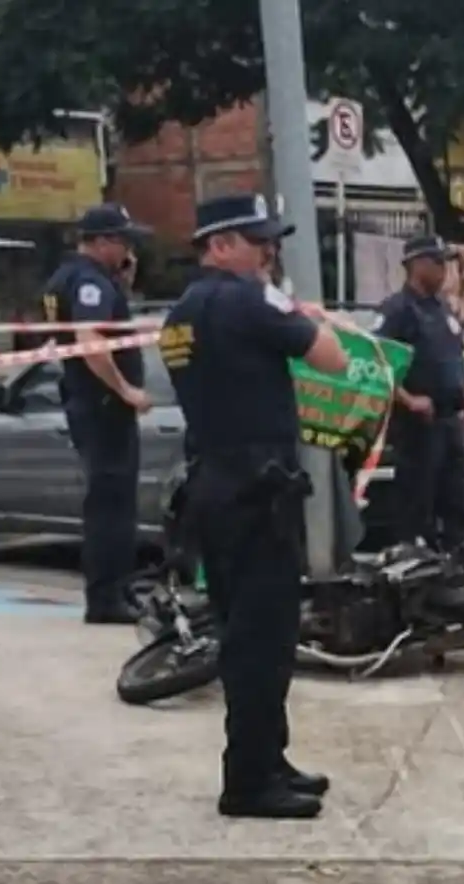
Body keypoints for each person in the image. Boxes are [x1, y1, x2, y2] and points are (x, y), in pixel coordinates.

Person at [161, 192, 349, 819]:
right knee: (262, 638)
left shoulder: (182, 312)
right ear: (219, 245)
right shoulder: (248, 298)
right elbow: (333, 357)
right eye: (256, 239)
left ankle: (267, 758)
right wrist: (307, 315)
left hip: (215, 483)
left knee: (250, 629)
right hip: (258, 490)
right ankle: (248, 780)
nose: (269, 251)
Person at [42, 203, 153, 625]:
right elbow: (90, 341)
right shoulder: (89, 282)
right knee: (112, 506)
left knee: (107, 502)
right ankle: (108, 598)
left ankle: (111, 590)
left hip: (87, 403)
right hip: (105, 407)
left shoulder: (67, 278)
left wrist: (120, 283)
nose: (128, 249)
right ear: (103, 241)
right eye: (123, 241)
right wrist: (126, 390)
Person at [376, 234, 464, 550]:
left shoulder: (441, 308)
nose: (444, 270)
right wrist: (408, 399)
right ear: (417, 265)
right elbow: (377, 364)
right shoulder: (397, 310)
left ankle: (455, 555)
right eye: (438, 262)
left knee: (455, 497)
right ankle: (417, 559)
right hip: (417, 425)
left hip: (448, 419)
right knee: (418, 500)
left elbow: (453, 354)